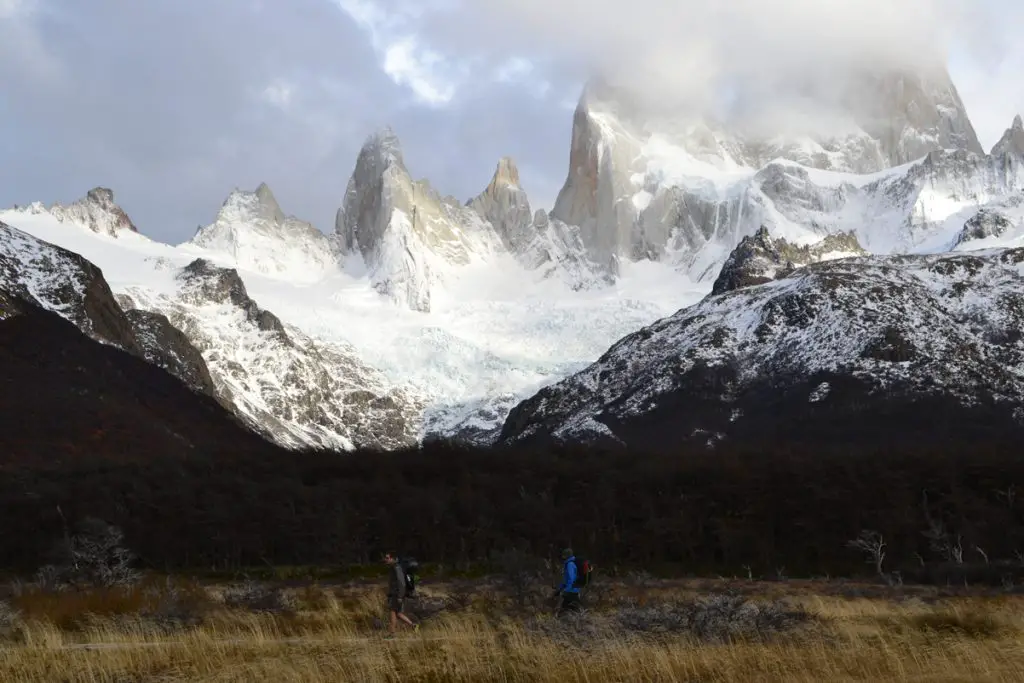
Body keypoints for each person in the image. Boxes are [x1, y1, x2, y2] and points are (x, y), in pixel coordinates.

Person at [384, 552, 418, 636]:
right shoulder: (393, 568)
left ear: (393, 558)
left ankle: (392, 633)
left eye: (388, 558)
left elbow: (401, 583)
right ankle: (413, 625)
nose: (386, 559)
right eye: (386, 558)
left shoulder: (397, 568)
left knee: (392, 612)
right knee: (398, 613)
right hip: (395, 594)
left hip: (397, 594)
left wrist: (400, 596)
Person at [553, 547, 582, 614]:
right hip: (573, 590)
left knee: (564, 608)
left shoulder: (570, 565)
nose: (563, 558)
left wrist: (565, 591)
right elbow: (565, 580)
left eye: (564, 556)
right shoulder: (569, 564)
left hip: (572, 591)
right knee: (571, 609)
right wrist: (559, 589)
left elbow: (571, 580)